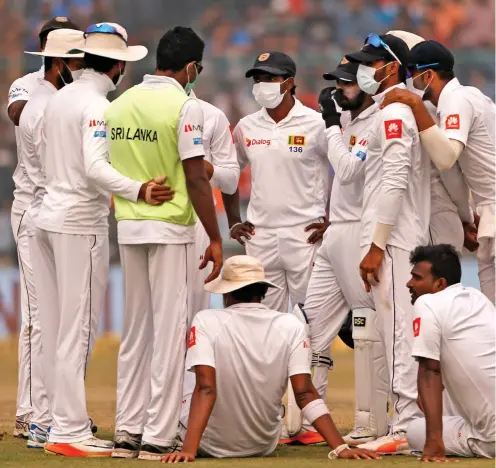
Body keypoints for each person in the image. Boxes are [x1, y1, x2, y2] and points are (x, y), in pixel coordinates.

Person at [34, 23, 169, 457]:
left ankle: (56, 423)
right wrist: (140, 189)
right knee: (78, 329)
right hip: (78, 222)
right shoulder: (95, 106)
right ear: (117, 68)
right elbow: (95, 167)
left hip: (47, 216)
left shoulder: (57, 99)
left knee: (57, 329)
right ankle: (70, 431)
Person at [107, 27, 223, 461]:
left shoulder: (118, 105)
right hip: (172, 227)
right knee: (172, 332)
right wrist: (214, 236)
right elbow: (195, 177)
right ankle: (157, 435)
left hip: (129, 225)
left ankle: (127, 431)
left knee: (136, 332)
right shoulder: (186, 107)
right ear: (191, 66)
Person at [162, 256, 380, 463]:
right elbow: (304, 392)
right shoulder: (290, 325)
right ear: (265, 291)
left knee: (190, 362)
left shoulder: (205, 320)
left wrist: (189, 450)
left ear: (225, 293)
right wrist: (340, 447)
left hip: (206, 444)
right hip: (263, 443)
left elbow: (206, 388)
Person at [344, 33, 430, 454]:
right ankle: (404, 422)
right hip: (389, 236)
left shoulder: (396, 110)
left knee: (399, 331)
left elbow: (395, 180)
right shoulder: (387, 109)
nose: (363, 71)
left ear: (391, 66)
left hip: (394, 239)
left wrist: (377, 244)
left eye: (370, 62)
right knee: (394, 329)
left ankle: (405, 426)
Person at [296, 58, 388, 446]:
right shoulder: (348, 121)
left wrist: (331, 126)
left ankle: (374, 423)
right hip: (336, 232)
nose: (337, 92)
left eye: (345, 85)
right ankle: (308, 423)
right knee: (312, 327)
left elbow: (350, 171)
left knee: (369, 329)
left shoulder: (376, 121)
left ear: (366, 87)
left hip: (360, 235)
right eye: (334, 84)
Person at [7, 15, 80, 439]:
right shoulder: (28, 85)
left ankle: (47, 409)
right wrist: (53, 99)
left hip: (63, 206)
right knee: (37, 315)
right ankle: (31, 412)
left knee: (59, 315)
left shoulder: (81, 90)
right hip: (32, 206)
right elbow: (17, 113)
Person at [381, 40, 496, 304]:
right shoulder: (468, 97)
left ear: (429, 74)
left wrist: (415, 105)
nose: (410, 82)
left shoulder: (457, 100)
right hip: (486, 208)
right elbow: (455, 173)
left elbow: (445, 158)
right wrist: (467, 217)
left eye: (412, 75)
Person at [223, 51, 329, 314]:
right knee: (263, 318)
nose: (262, 85)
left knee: (312, 315)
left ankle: (315, 358)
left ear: (289, 82)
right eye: (258, 78)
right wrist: (233, 220)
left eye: (270, 77)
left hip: (305, 233)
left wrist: (334, 219)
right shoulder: (246, 126)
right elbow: (229, 173)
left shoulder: (316, 123)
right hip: (260, 235)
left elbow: (346, 172)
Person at [406, 244, 495, 460]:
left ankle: (445, 437)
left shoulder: (427, 303)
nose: (409, 283)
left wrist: (434, 441)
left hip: (492, 439)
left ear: (439, 284)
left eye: (417, 278)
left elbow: (429, 371)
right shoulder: (478, 299)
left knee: (413, 430)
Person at [188, 90, 239, 322]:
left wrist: (210, 170)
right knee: (147, 317)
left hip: (198, 221)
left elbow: (230, 179)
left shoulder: (212, 116)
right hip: (148, 219)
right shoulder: (138, 108)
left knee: (195, 310)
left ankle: (194, 357)